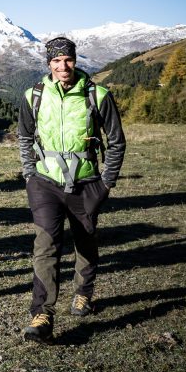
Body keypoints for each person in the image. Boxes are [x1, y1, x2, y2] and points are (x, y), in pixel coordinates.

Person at [18, 36, 126, 343]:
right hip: (44, 182)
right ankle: (42, 313)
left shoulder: (97, 94)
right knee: (46, 243)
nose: (63, 66)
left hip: (87, 183)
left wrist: (107, 181)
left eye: (68, 60)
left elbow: (117, 140)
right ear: (48, 63)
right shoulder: (33, 95)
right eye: (56, 61)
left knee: (85, 240)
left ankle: (83, 292)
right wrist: (29, 173)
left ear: (75, 61)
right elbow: (25, 137)